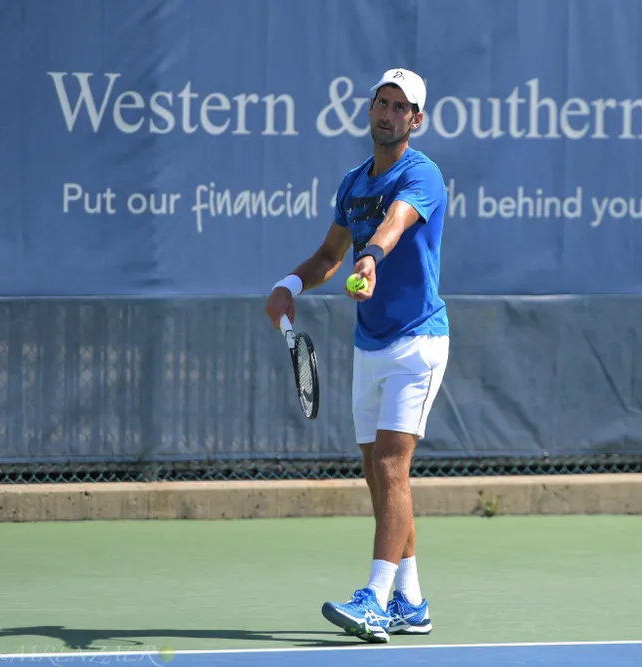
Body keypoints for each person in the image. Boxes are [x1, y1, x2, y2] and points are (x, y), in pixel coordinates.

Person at [264, 67, 449, 644]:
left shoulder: (424, 175)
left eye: (401, 108)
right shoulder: (351, 183)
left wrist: (369, 258)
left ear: (416, 120)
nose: (388, 114)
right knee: (379, 475)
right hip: (369, 344)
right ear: (371, 110)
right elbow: (326, 255)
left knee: (393, 467)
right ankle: (411, 601)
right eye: (381, 103)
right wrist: (289, 287)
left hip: (418, 341)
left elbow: (395, 224)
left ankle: (373, 597)